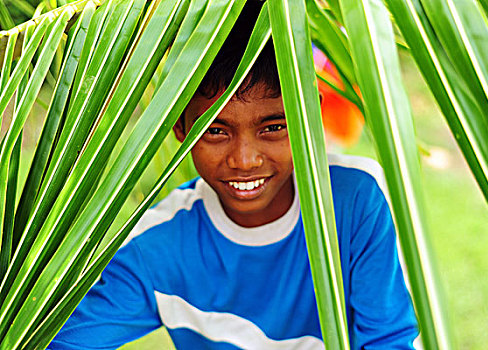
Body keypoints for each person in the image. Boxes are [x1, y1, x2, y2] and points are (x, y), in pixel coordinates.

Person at [49, 3, 418, 349]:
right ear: (180, 125)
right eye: (215, 130)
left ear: (309, 116)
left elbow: (390, 339)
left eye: (273, 127)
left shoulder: (358, 200)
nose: (244, 160)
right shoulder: (156, 245)